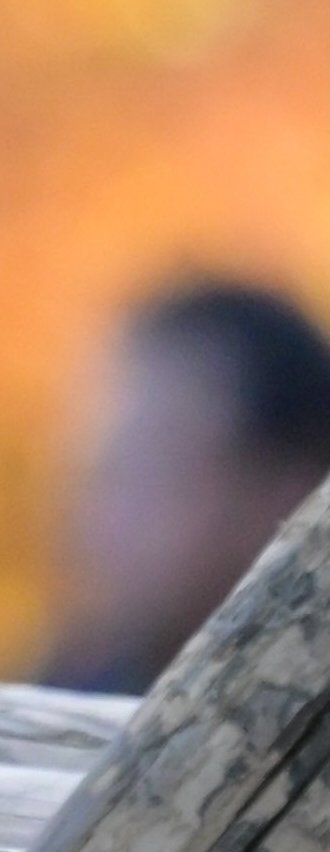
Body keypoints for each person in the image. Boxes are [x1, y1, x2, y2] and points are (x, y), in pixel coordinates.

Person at [36, 278, 330, 695]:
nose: (105, 513)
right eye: (107, 467)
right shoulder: (60, 689)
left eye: (154, 462)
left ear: (288, 489)